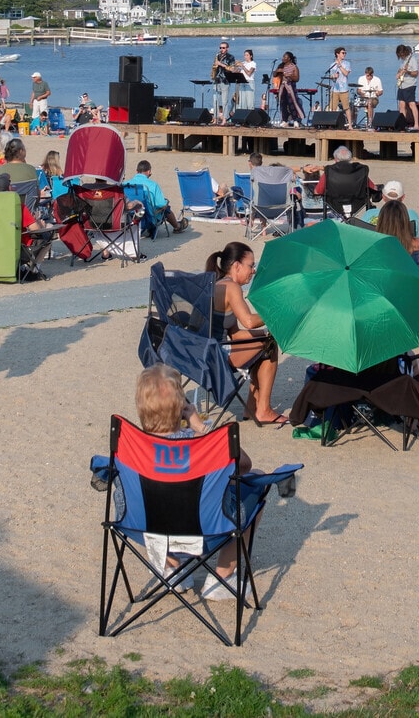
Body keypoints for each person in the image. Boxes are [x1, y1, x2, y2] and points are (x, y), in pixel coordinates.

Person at [133, 364, 251, 600]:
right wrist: (199, 427)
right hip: (205, 534)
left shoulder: (133, 448)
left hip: (144, 530)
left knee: (149, 497)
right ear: (181, 407)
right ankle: (222, 577)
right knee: (253, 487)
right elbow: (245, 464)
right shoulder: (200, 444)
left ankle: (171, 568)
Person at [207, 244, 286, 426]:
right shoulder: (231, 287)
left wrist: (265, 333)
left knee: (266, 340)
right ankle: (263, 409)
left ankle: (252, 407)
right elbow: (249, 321)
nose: (253, 270)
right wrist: (277, 313)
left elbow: (235, 334)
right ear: (236, 266)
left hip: (207, 352)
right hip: (217, 356)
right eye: (250, 265)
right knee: (270, 345)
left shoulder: (218, 283)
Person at [371, 197, 419, 275]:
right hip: (410, 284)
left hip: (383, 284)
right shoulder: (415, 243)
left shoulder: (375, 244)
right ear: (405, 220)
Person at [127, 160, 184, 233]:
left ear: (136, 171)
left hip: (131, 218)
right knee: (166, 208)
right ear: (149, 172)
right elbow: (161, 204)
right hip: (148, 219)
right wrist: (166, 202)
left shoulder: (126, 184)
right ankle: (177, 227)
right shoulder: (153, 185)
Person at [210, 40, 240, 123]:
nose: (221, 49)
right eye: (220, 48)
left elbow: (232, 69)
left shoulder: (231, 57)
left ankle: (224, 119)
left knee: (224, 101)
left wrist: (221, 64)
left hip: (225, 80)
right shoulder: (218, 56)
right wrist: (214, 69)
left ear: (227, 48)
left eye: (223, 48)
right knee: (215, 101)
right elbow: (215, 66)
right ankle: (215, 119)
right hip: (217, 80)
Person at [394, 45, 419, 130]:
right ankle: (403, 124)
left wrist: (407, 71)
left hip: (410, 85)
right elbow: (400, 69)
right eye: (399, 55)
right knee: (401, 105)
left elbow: (416, 73)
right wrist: (399, 73)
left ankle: (416, 124)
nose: (401, 56)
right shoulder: (403, 60)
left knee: (411, 104)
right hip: (402, 85)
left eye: (401, 54)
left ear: (404, 52)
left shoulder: (412, 59)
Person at [325, 48, 352, 123]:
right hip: (335, 89)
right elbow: (330, 76)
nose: (344, 54)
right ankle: (332, 123)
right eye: (343, 53)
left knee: (346, 107)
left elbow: (346, 73)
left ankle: (350, 124)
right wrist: (333, 76)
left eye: (345, 53)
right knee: (333, 108)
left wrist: (340, 66)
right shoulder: (332, 65)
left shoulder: (347, 63)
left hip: (344, 89)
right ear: (337, 54)